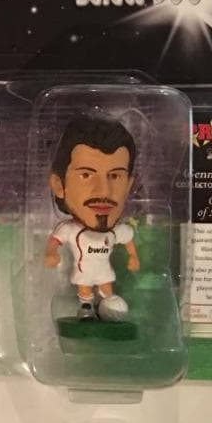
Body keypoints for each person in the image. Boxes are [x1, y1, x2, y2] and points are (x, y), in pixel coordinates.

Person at [43, 115, 139, 321]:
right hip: (84, 274)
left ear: (129, 186)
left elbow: (128, 240)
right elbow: (54, 242)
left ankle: (109, 308)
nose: (104, 191)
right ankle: (86, 308)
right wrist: (50, 254)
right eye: (86, 175)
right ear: (59, 185)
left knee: (107, 290)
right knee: (85, 290)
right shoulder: (70, 229)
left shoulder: (116, 231)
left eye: (115, 176)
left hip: (104, 273)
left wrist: (133, 257)